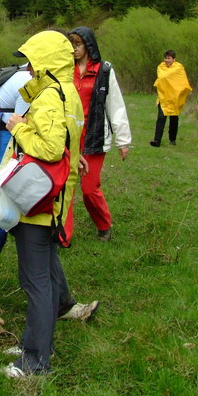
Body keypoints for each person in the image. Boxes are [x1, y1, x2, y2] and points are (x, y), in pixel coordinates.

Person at [0, 68, 99, 323]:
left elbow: (36, 130)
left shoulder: (31, 80)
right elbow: (25, 126)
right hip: (5, 158)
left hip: (9, 155)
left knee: (26, 234)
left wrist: (73, 155)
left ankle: (62, 304)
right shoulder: (31, 83)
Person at [2, 31, 85, 378]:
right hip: (53, 200)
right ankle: (36, 343)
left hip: (38, 203)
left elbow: (50, 149)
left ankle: (35, 363)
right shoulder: (69, 92)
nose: (30, 66)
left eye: (35, 60)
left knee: (35, 281)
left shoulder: (51, 96)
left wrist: (18, 127)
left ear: (48, 62)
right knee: (46, 277)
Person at [67, 27, 132, 242]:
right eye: (72, 44)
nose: (74, 49)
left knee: (89, 188)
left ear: (89, 45)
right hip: (69, 137)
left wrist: (123, 141)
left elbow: (116, 106)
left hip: (94, 137)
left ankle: (104, 225)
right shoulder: (66, 68)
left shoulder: (104, 70)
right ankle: (63, 234)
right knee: (65, 187)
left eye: (78, 44)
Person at [151, 49, 191, 147]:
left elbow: (182, 81)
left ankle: (172, 139)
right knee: (161, 118)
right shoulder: (161, 67)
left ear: (174, 59)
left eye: (169, 58)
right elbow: (161, 78)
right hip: (163, 97)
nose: (167, 60)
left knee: (173, 118)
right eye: (165, 58)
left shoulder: (179, 68)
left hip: (174, 98)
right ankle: (157, 140)